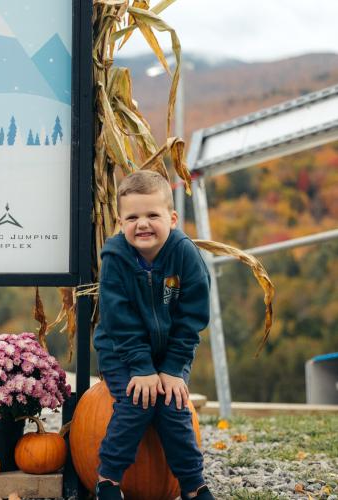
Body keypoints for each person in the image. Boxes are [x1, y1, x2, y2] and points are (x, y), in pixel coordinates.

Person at [92, 170, 215, 500]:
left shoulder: (184, 255)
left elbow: (191, 319)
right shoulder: (116, 258)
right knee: (137, 403)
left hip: (170, 351)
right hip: (121, 350)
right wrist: (142, 369)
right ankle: (108, 480)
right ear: (120, 222)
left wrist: (173, 368)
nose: (142, 224)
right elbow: (119, 320)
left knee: (174, 408)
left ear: (172, 218)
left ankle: (193, 485)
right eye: (132, 216)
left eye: (152, 215)